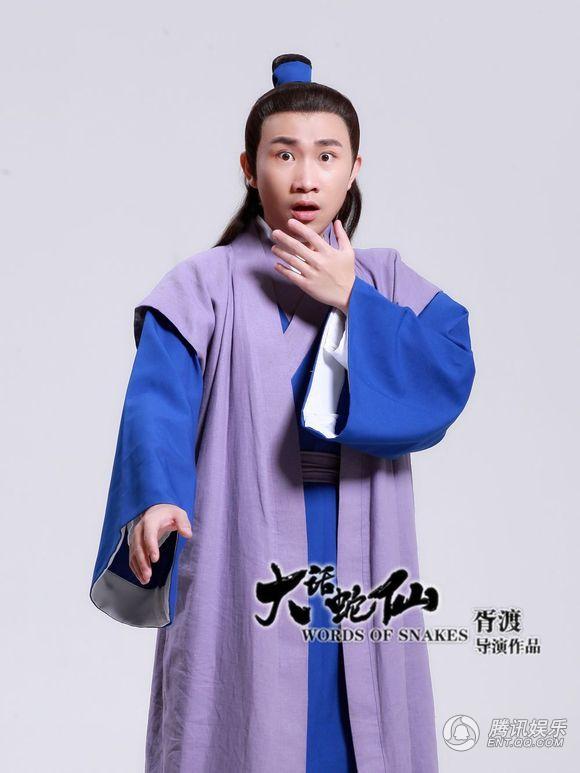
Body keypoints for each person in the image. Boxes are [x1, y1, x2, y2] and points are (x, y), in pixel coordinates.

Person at [90, 53, 476, 773]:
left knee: (360, 727)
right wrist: (158, 497)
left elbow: (447, 373)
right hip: (239, 545)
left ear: (354, 168)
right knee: (241, 723)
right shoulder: (202, 286)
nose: (305, 177)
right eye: (284, 153)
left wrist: (353, 299)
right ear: (249, 166)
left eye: (326, 155)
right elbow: (156, 404)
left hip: (362, 550)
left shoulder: (387, 280)